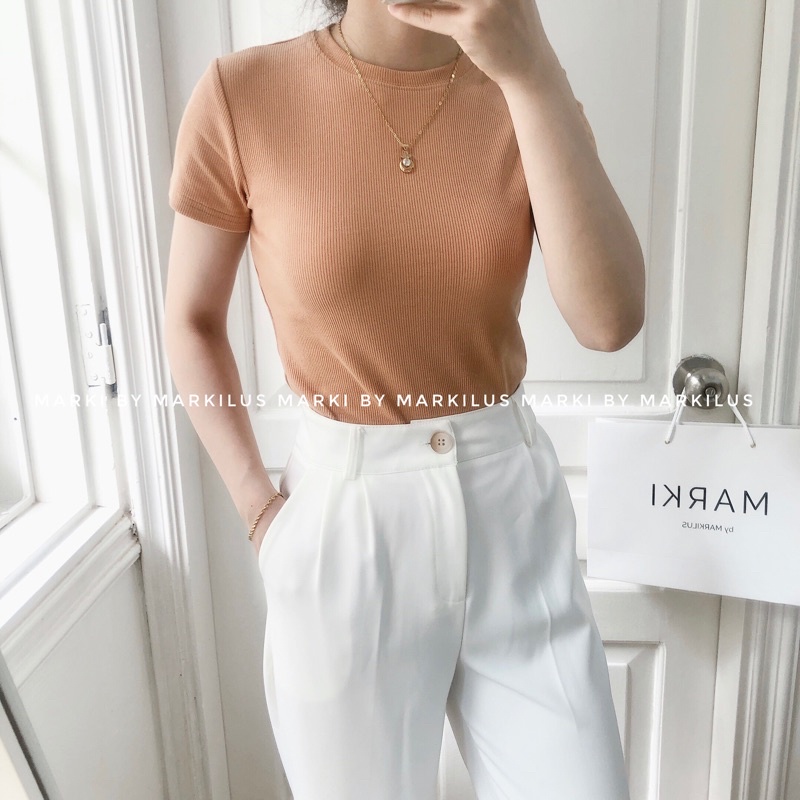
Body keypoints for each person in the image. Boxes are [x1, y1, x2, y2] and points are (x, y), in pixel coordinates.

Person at [164, 0, 644, 798]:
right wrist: (259, 513)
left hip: (511, 516)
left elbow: (609, 322)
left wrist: (532, 71)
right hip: (344, 521)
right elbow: (190, 320)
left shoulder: (524, 88)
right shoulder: (243, 93)